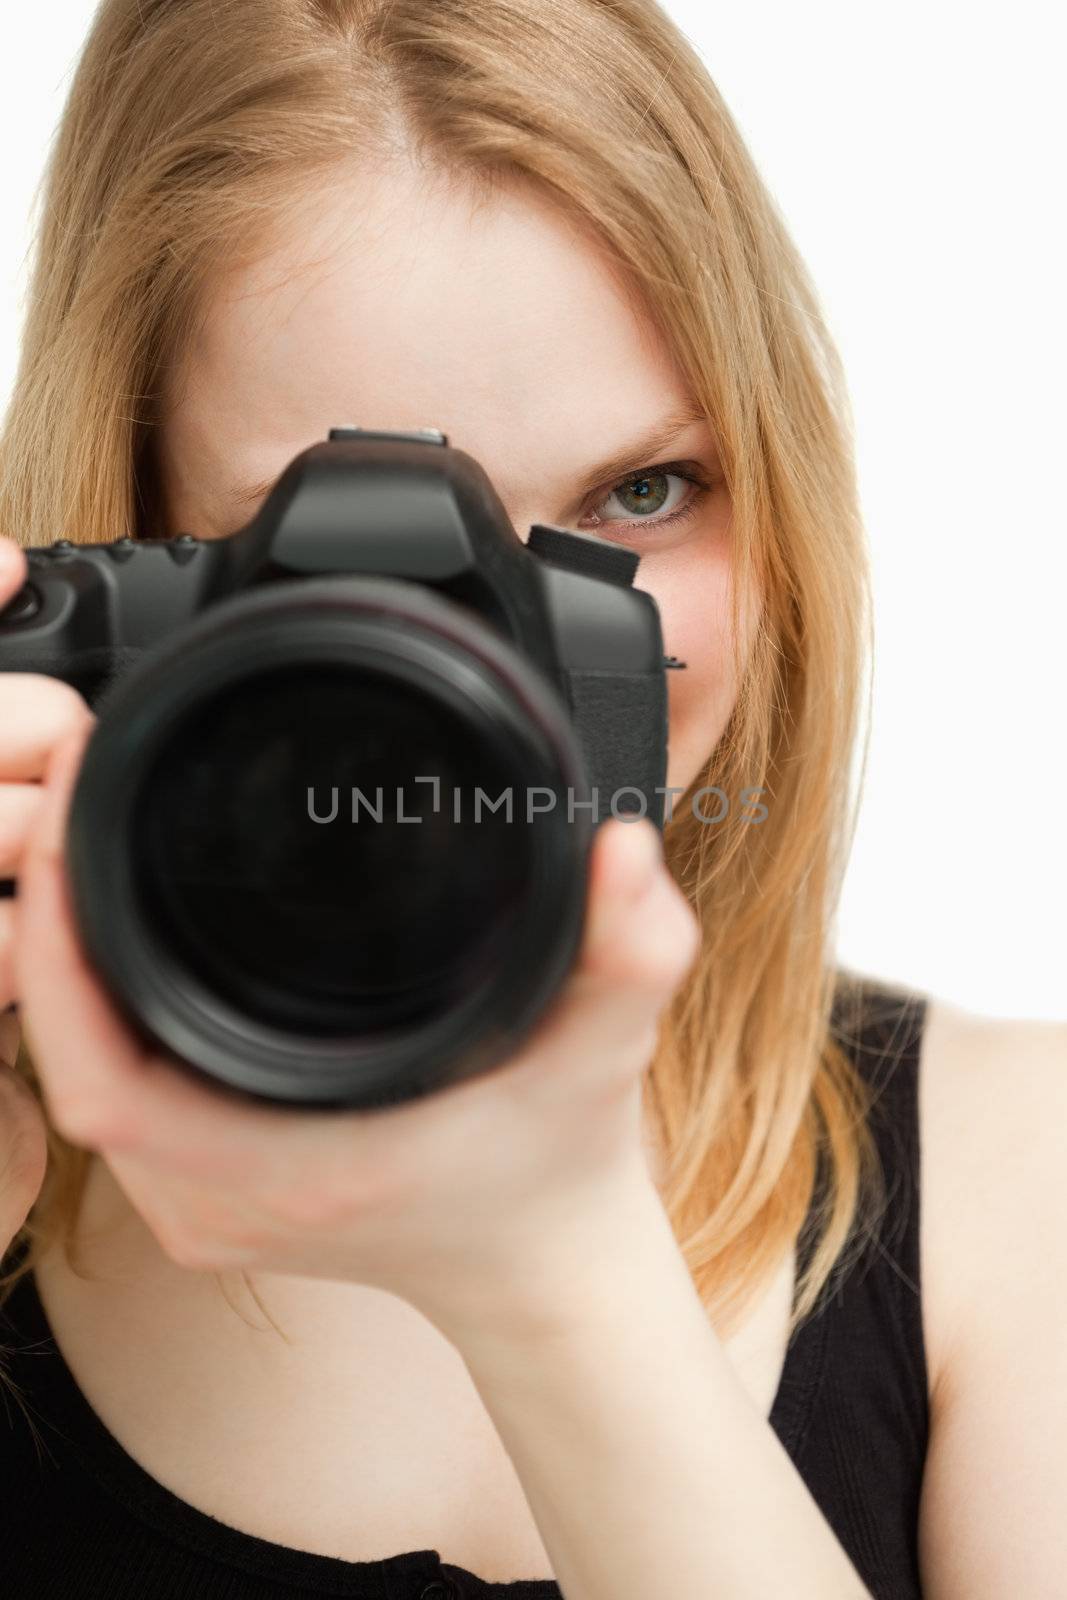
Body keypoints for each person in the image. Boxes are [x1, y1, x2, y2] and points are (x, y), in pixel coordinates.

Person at [0, 2, 1063, 1597]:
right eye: (357, 556)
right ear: (122, 566)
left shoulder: (1021, 1178)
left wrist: (555, 1265)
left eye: (642, 494)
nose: (499, 671)